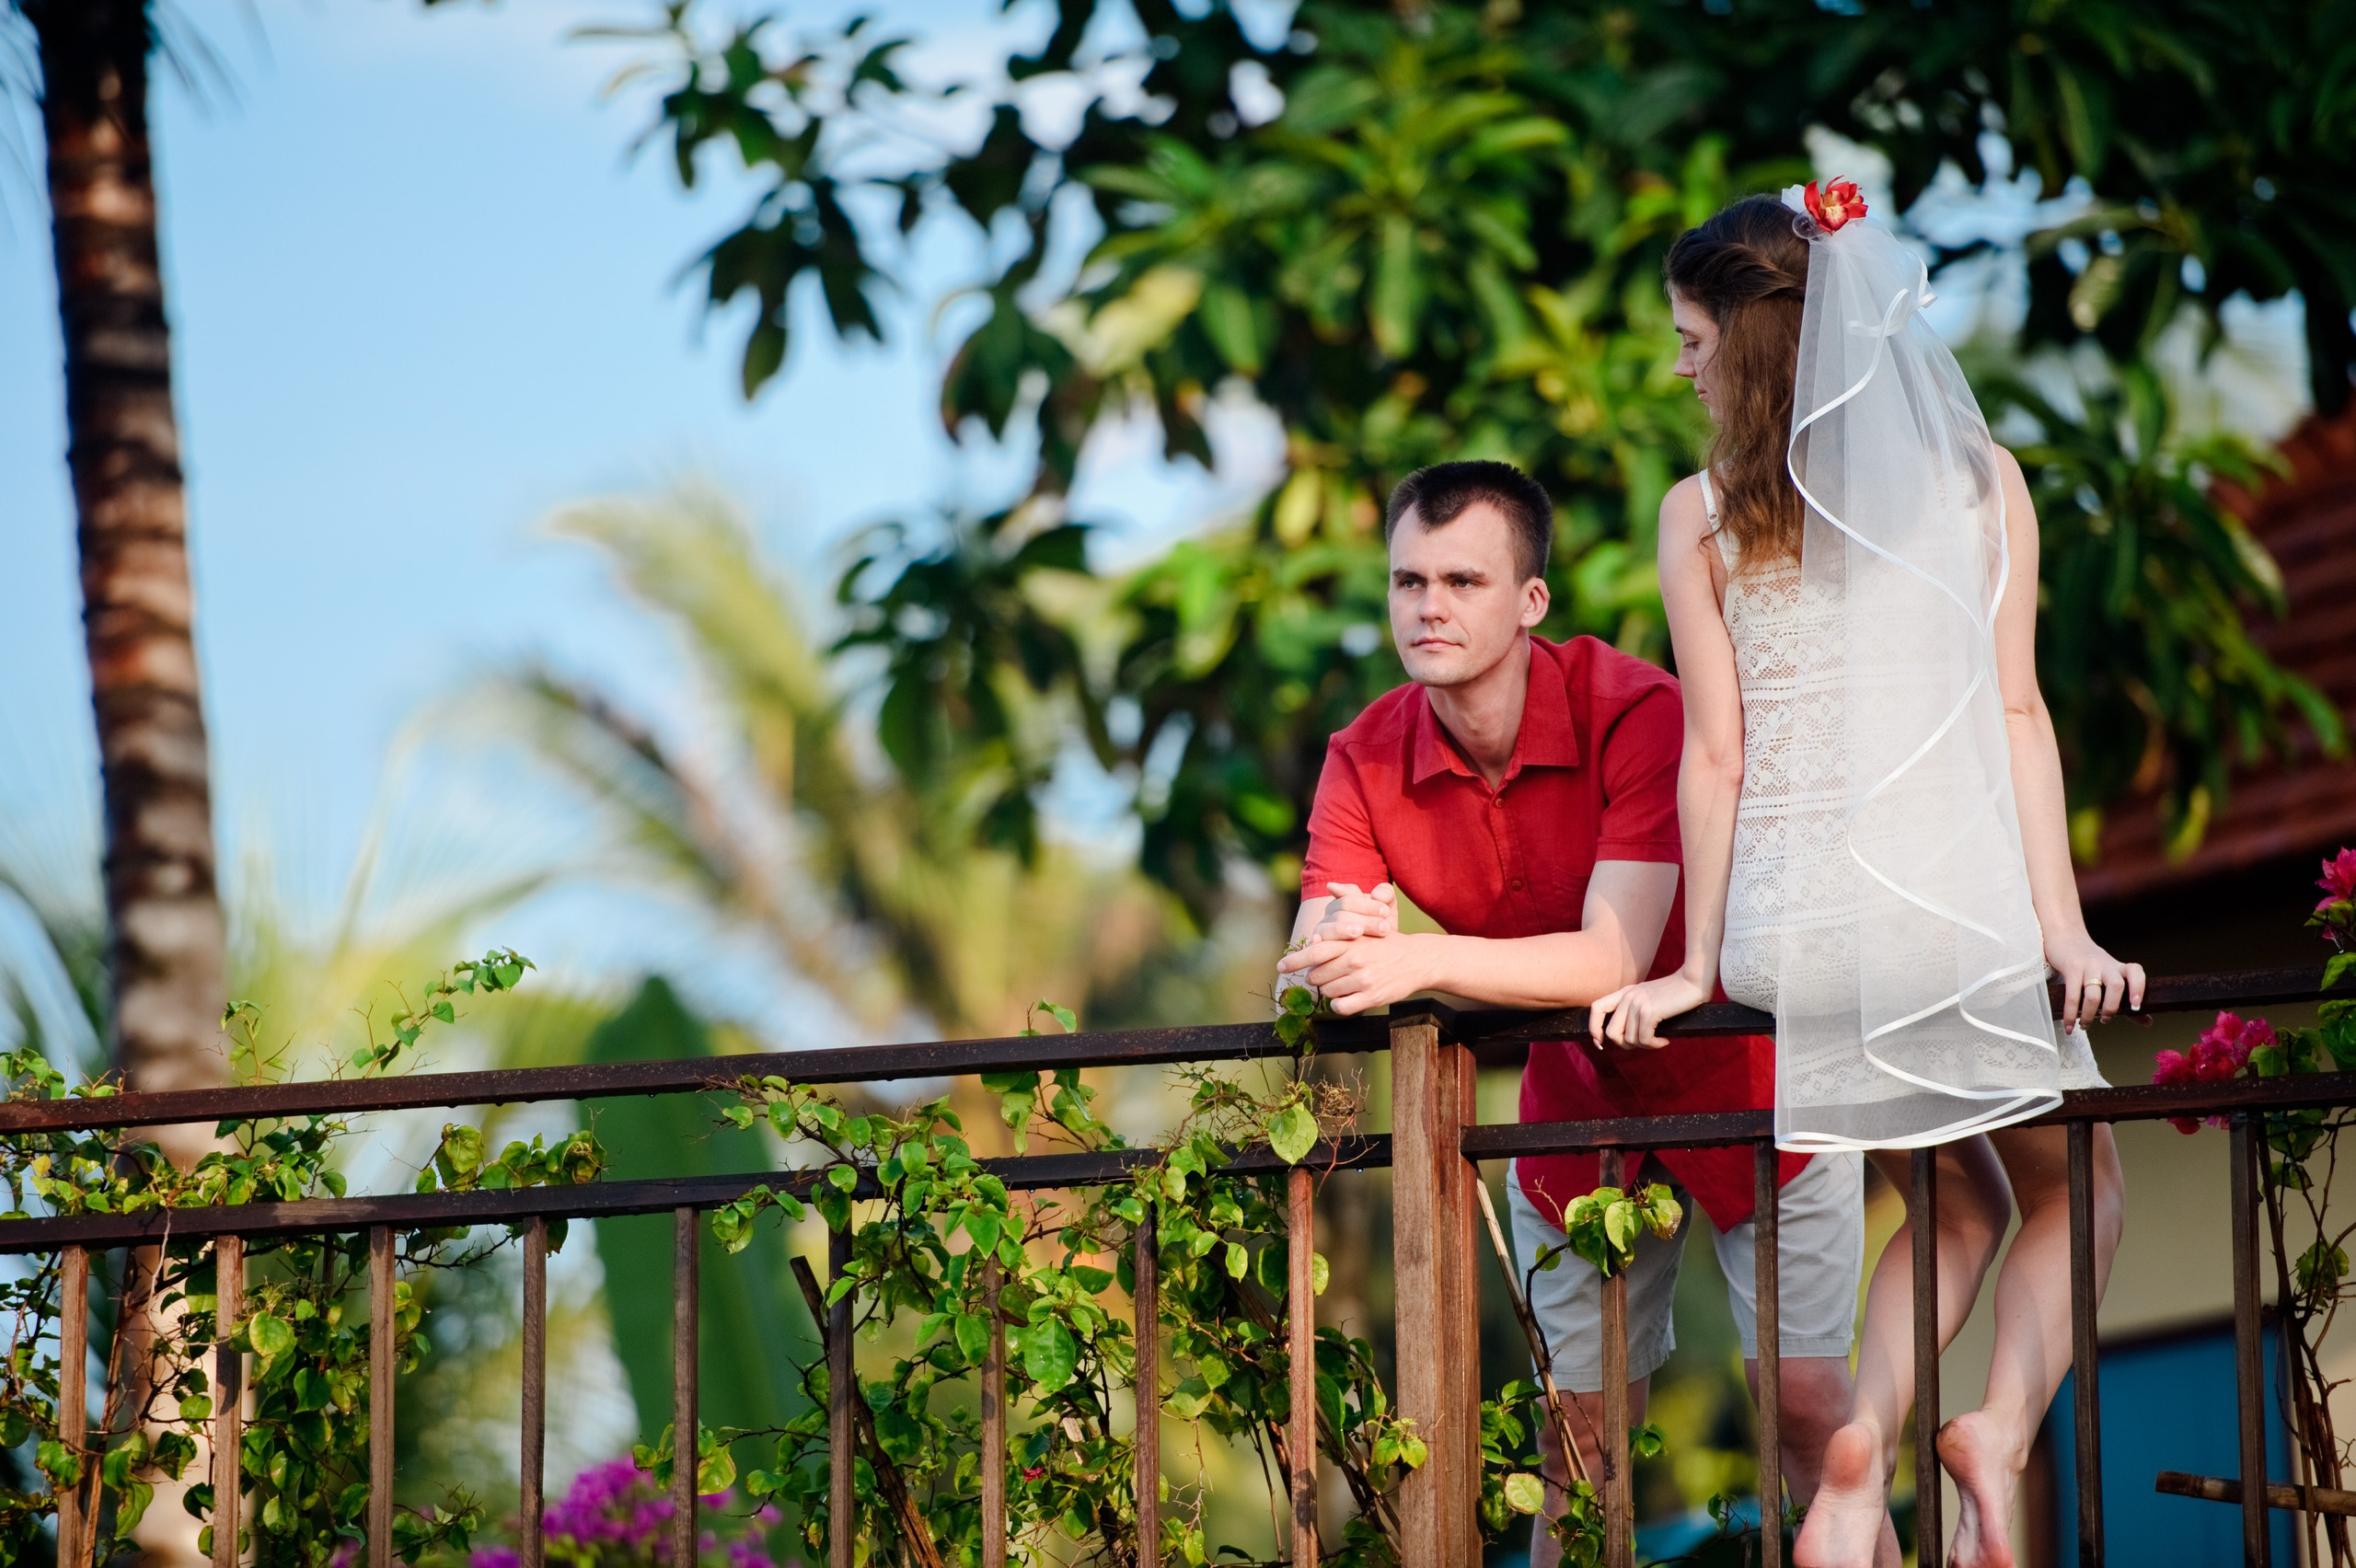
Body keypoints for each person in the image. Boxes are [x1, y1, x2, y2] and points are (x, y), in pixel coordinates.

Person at [1586, 190, 2142, 1568]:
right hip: (1951, 920)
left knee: (1948, 1203)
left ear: (1748, 349)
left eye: (1690, 339)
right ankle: (2000, 1427)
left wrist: (1700, 967)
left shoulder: (1698, 516)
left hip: (1800, 939)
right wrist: (2062, 931)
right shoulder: (1976, 479)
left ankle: (1853, 1469)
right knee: (2084, 1192)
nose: (1681, 365)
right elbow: (2017, 715)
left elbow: (1714, 759)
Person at [1276, 459, 1867, 1568]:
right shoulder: (1359, 756)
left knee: (1804, 1414)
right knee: (1576, 1443)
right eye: (1408, 582)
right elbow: (1324, 944)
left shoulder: (1637, 707)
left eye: (1462, 579)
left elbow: (1612, 957)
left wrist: (1408, 958)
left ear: (1530, 600)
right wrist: (1317, 964)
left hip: (1749, 1075)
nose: (1429, 607)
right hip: (1575, 1110)